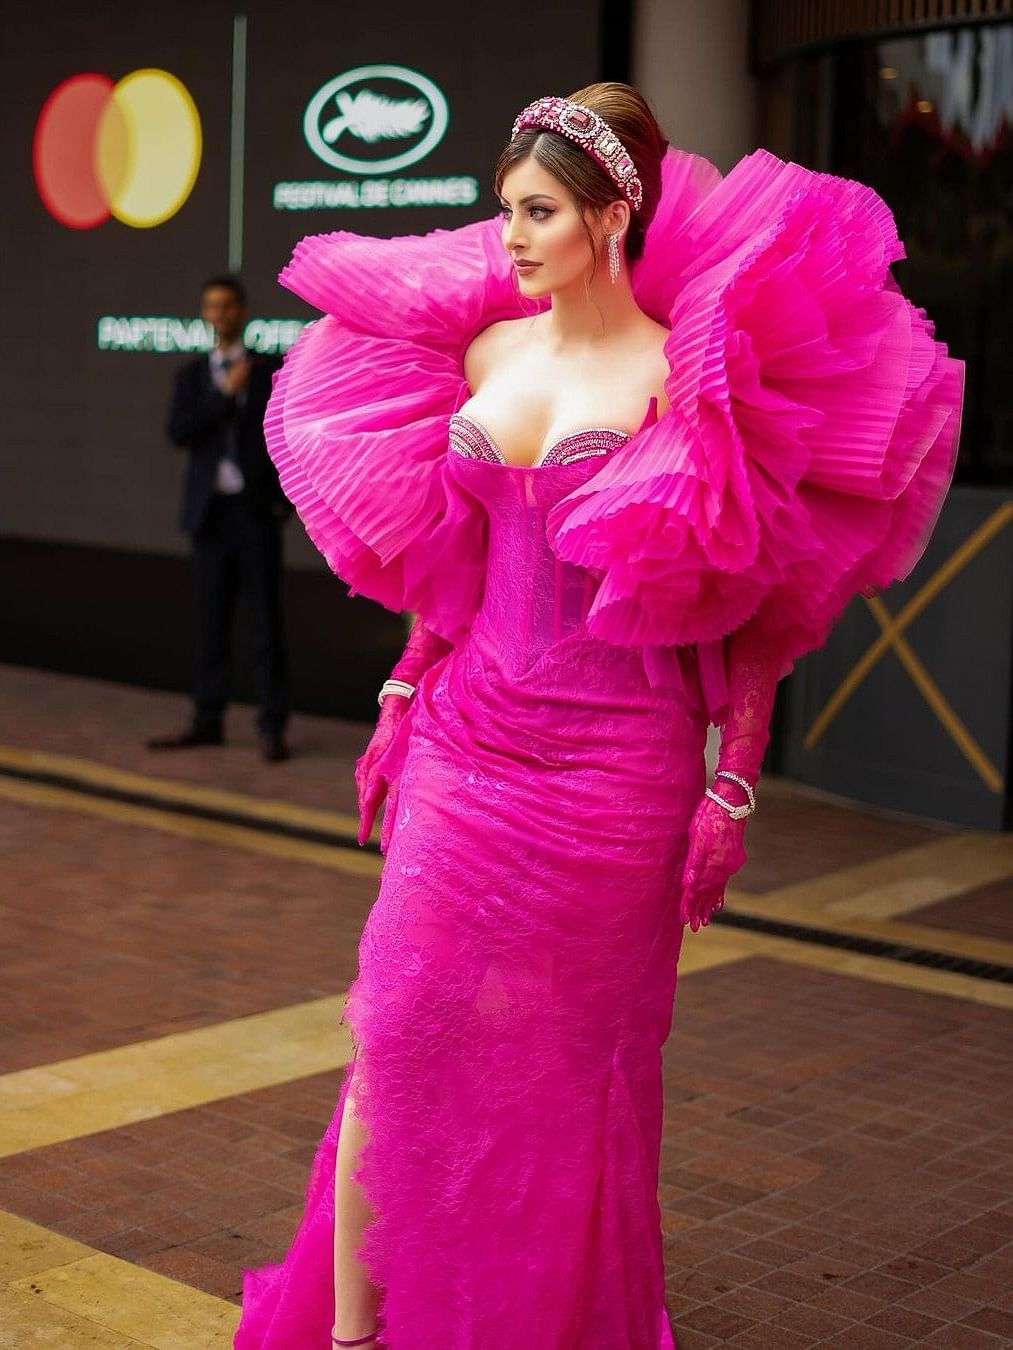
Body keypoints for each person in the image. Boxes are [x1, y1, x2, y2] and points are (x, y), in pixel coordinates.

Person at [234, 84, 963, 1348]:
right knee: (395, 1031)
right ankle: (351, 1338)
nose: (506, 237)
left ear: (611, 216)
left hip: (614, 775)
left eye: (535, 212)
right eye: (502, 209)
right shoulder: (485, 353)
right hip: (468, 744)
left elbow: (749, 610)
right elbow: (452, 571)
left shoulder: (687, 376)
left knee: (565, 1074)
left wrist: (732, 784)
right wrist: (401, 698)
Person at [147, 276, 291, 763]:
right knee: (211, 625)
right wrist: (224, 395)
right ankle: (207, 720)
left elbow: (286, 436)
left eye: (228, 305)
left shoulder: (269, 370)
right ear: (205, 314)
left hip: (254, 516)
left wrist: (280, 503)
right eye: (212, 306)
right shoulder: (192, 376)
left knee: (264, 625)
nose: (221, 314)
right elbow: (178, 432)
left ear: (242, 311)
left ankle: (272, 725)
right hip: (209, 517)